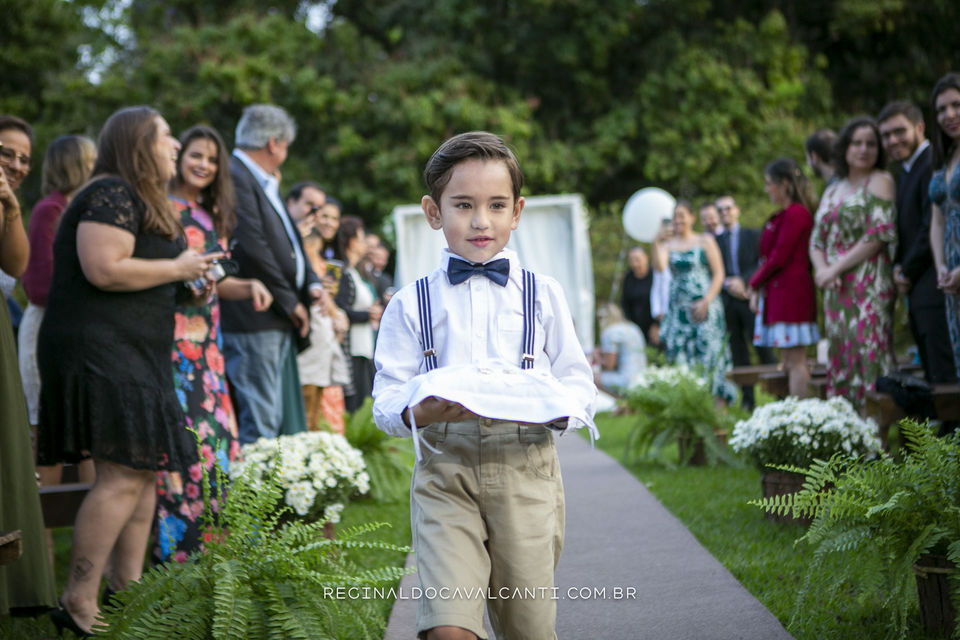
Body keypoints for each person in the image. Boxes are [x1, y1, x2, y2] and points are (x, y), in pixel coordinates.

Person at [373, 131, 596, 640]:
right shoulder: (410, 303)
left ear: (516, 212)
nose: (480, 220)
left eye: (496, 206)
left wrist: (558, 410)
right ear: (433, 212)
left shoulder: (544, 294)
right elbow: (387, 396)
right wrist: (419, 412)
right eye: (463, 205)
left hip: (525, 467)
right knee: (448, 629)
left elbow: (576, 378)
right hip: (444, 471)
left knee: (528, 628)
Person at [36, 106, 221, 635]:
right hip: (99, 350)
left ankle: (128, 593)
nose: (174, 147)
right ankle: (78, 597)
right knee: (120, 475)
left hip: (138, 352)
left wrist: (191, 282)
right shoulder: (109, 193)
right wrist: (179, 267)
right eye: (166, 137)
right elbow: (104, 268)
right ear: (140, 143)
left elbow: (148, 272)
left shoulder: (146, 203)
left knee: (143, 471)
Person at [154, 124, 273, 563]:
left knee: (216, 441)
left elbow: (217, 281)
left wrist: (251, 286)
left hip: (208, 350)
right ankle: (177, 551)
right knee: (182, 444)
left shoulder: (209, 214)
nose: (203, 164)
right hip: (172, 346)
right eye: (195, 155)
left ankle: (218, 550)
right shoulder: (162, 209)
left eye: (211, 158)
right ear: (179, 156)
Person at [220, 104, 323, 444]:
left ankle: (271, 496)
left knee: (272, 417)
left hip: (273, 315)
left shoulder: (264, 181)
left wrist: (311, 283)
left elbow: (289, 240)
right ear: (274, 143)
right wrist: (289, 301)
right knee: (260, 420)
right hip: (255, 315)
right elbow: (253, 245)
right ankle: (253, 498)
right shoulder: (236, 174)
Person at [0, 114, 57, 617]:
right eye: (7, 153)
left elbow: (16, 268)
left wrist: (11, 208)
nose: (16, 164)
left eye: (24, 158)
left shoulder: (13, 205)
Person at [19, 135, 97, 477]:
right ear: (74, 165)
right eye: (92, 160)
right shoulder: (49, 210)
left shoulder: (87, 210)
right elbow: (37, 285)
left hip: (81, 334)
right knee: (46, 431)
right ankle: (44, 530)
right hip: (47, 331)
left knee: (89, 433)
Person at [810, 116, 897, 412]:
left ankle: (878, 441)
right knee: (841, 356)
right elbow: (817, 239)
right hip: (836, 290)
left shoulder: (881, 181)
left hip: (869, 286)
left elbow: (878, 235)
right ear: (844, 148)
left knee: (869, 354)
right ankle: (848, 439)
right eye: (857, 142)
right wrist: (823, 270)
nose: (864, 149)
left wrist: (834, 268)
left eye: (871, 144)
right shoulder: (833, 189)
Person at [879, 100, 956, 385]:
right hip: (918, 287)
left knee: (945, 375)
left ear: (920, 127)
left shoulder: (932, 162)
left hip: (935, 283)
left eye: (900, 131)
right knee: (934, 370)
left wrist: (906, 271)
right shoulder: (906, 171)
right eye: (886, 135)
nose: (892, 140)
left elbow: (929, 225)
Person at [747, 158, 821, 398]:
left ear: (785, 184)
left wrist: (753, 282)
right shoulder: (783, 215)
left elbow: (779, 256)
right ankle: (792, 413)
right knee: (788, 359)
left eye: (770, 183)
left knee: (797, 359)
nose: (767, 189)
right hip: (781, 294)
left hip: (792, 295)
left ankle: (802, 415)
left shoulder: (797, 214)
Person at [653, 200, 737, 404]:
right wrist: (655, 241)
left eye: (682, 215)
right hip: (679, 311)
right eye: (675, 216)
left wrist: (706, 300)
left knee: (709, 355)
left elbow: (719, 274)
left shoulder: (705, 241)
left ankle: (718, 410)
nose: (678, 220)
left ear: (692, 218)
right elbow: (660, 267)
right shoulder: (667, 245)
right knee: (682, 358)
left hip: (705, 308)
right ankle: (691, 410)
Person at [287, 181, 350, 432]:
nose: (328, 222)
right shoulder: (302, 244)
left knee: (318, 406)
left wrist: (336, 314)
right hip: (308, 334)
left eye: (334, 218)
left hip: (325, 337)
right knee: (307, 404)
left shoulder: (325, 256)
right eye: (323, 215)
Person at [715, 194, 776, 409]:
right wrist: (728, 284)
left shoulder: (752, 235)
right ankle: (748, 401)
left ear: (736, 210)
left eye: (728, 208)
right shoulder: (715, 241)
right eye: (720, 210)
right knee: (737, 351)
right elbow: (713, 271)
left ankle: (780, 395)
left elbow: (762, 262)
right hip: (727, 302)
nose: (725, 213)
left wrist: (744, 281)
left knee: (762, 347)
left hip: (749, 298)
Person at [334, 215, 383, 412]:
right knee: (356, 404)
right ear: (352, 241)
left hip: (363, 346)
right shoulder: (343, 272)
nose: (365, 244)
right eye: (361, 239)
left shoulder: (357, 272)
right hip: (351, 347)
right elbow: (339, 308)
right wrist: (367, 315)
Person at [929, 72, 960, 380]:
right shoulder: (945, 158)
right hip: (951, 278)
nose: (949, 115)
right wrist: (940, 265)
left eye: (956, 104)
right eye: (941, 109)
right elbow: (937, 221)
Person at [593, 302, 647, 394]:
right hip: (643, 378)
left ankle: (619, 404)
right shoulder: (633, 327)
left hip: (626, 381)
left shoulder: (609, 332)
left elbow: (610, 365)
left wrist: (598, 358)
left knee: (591, 377)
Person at [620, 245, 655, 342]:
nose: (635, 264)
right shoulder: (628, 277)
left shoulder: (655, 276)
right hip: (634, 327)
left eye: (637, 260)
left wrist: (658, 324)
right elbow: (625, 302)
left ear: (646, 258)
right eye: (631, 260)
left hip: (654, 326)